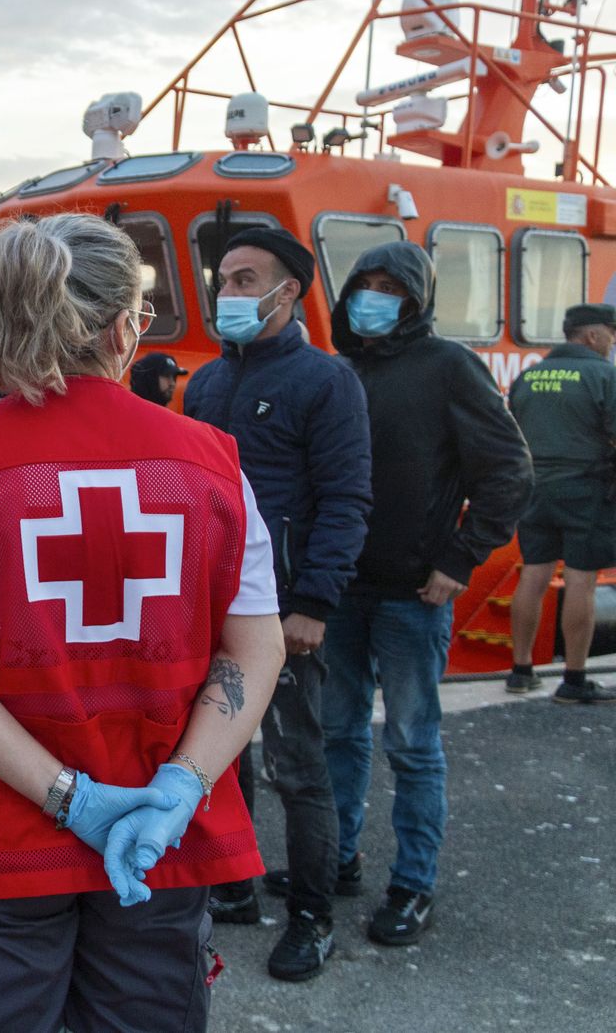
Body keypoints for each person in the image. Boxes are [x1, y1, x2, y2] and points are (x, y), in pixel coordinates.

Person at [0, 214, 284, 1032]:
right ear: (122, 326)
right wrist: (181, 786)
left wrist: (67, 799)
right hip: (158, 839)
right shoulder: (211, 464)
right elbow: (256, 646)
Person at [324, 241, 531, 946]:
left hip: (415, 592)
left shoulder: (449, 368)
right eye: (365, 284)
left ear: (417, 300)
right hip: (341, 590)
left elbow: (508, 471)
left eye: (391, 287)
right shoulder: (339, 369)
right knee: (339, 734)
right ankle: (338, 857)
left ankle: (414, 884)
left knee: (413, 743)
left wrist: (460, 558)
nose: (374, 297)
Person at [183, 228, 372, 980]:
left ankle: (311, 916)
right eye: (223, 278)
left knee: (298, 765)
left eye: (243, 278)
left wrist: (314, 603)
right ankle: (232, 885)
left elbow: (346, 500)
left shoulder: (328, 383)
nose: (226, 292)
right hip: (211, 609)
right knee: (220, 758)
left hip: (284, 610)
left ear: (287, 291)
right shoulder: (205, 384)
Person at [508, 302, 616, 703]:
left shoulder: (529, 376)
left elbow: (511, 431)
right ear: (591, 335)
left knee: (533, 575)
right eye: (610, 333)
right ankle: (574, 679)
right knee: (580, 582)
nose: (612, 341)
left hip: (534, 490)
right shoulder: (605, 376)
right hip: (587, 492)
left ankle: (520, 671)